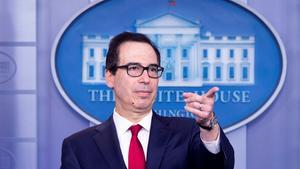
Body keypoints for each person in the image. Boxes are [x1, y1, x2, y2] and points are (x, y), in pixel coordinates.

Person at [60, 32, 234, 169]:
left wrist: (208, 125)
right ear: (110, 77)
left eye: (152, 69)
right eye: (134, 68)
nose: (146, 78)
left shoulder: (188, 133)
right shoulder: (78, 147)